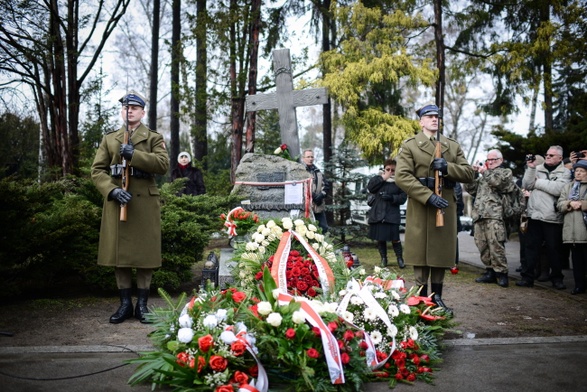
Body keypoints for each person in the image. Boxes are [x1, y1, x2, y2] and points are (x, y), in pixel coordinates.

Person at [91, 91, 170, 324]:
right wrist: (111, 190)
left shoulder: (153, 137)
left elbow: (163, 164)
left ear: (142, 112)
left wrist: (135, 155)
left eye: (134, 108)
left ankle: (142, 305)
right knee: (121, 255)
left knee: (145, 255)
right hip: (119, 200)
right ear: (121, 111)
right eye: (126, 108)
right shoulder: (110, 139)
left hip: (144, 203)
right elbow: (97, 171)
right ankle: (125, 304)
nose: (130, 111)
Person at [395, 104, 475, 312]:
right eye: (429, 116)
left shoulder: (451, 146)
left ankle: (437, 296)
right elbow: (402, 176)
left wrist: (448, 168)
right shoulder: (410, 145)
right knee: (420, 251)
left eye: (436, 117)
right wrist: (427, 196)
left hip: (445, 203)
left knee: (440, 252)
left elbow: (468, 173)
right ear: (421, 121)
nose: (433, 120)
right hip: (422, 204)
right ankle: (421, 297)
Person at [516, 146, 570, 289]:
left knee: (554, 250)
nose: (548, 157)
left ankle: (557, 279)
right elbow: (526, 184)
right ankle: (527, 278)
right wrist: (531, 168)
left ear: (560, 158)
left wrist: (537, 183)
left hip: (552, 217)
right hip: (534, 215)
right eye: (547, 154)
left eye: (552, 155)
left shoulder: (565, 172)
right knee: (530, 248)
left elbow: (559, 189)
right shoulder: (537, 169)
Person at [465, 149, 516, 288]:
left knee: (496, 245)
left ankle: (502, 274)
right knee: (482, 246)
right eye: (488, 159)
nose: (490, 162)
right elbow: (471, 189)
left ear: (501, 160)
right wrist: (473, 174)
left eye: (493, 159)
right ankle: (490, 272)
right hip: (480, 215)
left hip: (495, 216)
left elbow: (499, 183)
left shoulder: (505, 173)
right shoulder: (483, 177)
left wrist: (484, 172)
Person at [367, 159, 407, 268]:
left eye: (393, 170)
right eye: (388, 169)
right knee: (381, 238)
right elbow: (370, 187)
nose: (390, 172)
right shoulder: (378, 178)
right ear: (384, 169)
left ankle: (400, 258)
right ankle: (383, 259)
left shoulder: (399, 181)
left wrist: (392, 197)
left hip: (392, 214)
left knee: (395, 238)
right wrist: (383, 178)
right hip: (378, 213)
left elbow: (403, 198)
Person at [557, 159, 587, 294]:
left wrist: (582, 204)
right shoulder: (568, 187)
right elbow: (559, 204)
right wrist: (569, 204)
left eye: (582, 171)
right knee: (577, 261)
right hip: (572, 231)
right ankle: (579, 285)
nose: (578, 173)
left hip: (584, 229)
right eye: (577, 171)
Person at [302, 149, 330, 233]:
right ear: (303, 158)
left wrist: (321, 195)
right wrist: (313, 195)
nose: (310, 159)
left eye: (312, 157)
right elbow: (300, 186)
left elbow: (326, 185)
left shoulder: (318, 172)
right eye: (308, 157)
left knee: (323, 228)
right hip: (306, 207)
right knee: (306, 229)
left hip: (318, 205)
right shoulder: (300, 171)